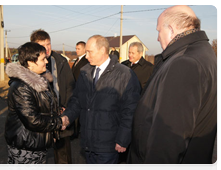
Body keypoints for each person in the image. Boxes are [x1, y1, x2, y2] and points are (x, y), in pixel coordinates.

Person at [126, 5, 219, 170]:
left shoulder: (185, 63)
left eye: (158, 31)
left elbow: (167, 141)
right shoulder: (202, 53)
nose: (157, 38)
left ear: (171, 29)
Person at [62, 35, 141, 170]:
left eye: (90, 52)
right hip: (88, 141)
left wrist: (123, 139)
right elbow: (76, 100)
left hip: (109, 144)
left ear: (102, 50)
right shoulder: (85, 72)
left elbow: (130, 110)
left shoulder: (124, 74)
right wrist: (67, 117)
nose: (86, 56)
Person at [5, 42, 64, 169]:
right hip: (26, 148)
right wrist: (59, 122)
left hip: (38, 143)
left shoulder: (40, 81)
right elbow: (33, 120)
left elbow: (43, 108)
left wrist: (57, 111)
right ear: (31, 62)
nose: (46, 62)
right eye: (43, 59)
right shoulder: (21, 87)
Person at [30, 29, 75, 170]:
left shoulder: (60, 61)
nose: (46, 48)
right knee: (36, 157)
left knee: (63, 159)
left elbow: (70, 87)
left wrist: (65, 108)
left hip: (60, 116)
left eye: (48, 44)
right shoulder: (29, 65)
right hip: (39, 120)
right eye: (42, 45)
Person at [71, 41, 89, 139]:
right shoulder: (76, 61)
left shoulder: (86, 62)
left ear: (84, 49)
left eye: (78, 49)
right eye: (76, 48)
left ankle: (77, 132)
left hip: (81, 89)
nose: (76, 51)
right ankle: (75, 131)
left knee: (79, 112)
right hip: (74, 89)